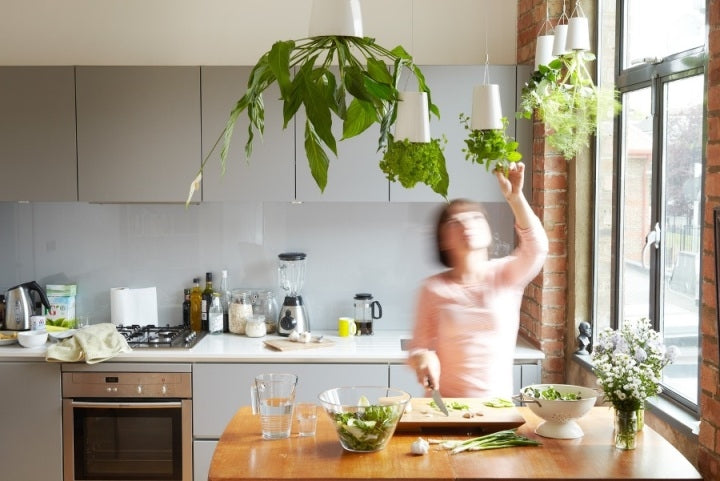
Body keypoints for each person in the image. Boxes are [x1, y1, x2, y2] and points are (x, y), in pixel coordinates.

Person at [407, 162, 548, 399]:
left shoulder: (506, 275)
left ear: (487, 230)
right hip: (445, 411)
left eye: (474, 217)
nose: (466, 224)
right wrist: (424, 359)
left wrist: (515, 198)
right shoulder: (433, 289)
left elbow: (537, 247)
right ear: (442, 239)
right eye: (455, 221)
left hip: (496, 411)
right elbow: (418, 348)